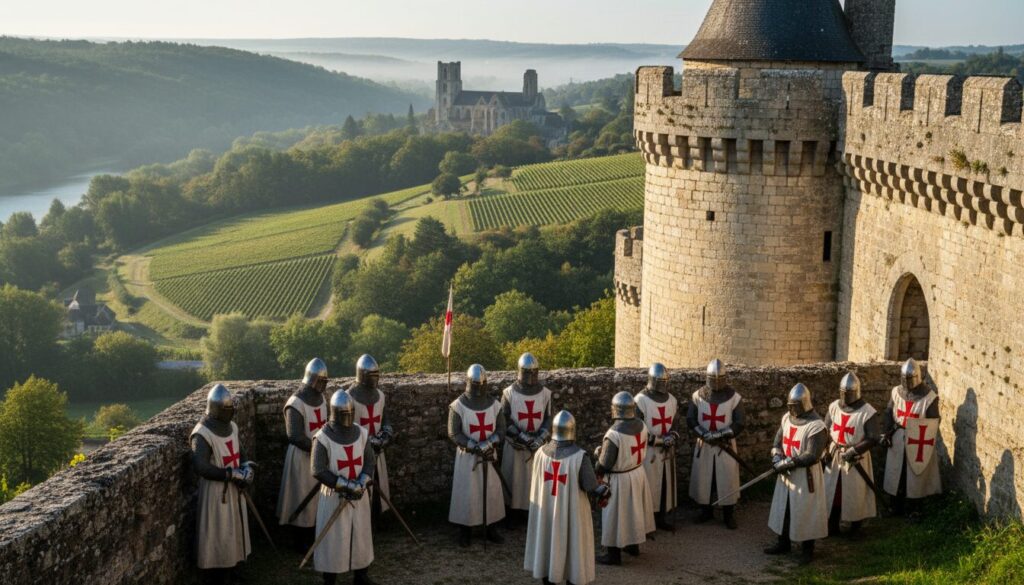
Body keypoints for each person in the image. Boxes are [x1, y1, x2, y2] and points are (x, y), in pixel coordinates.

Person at [524, 410, 607, 585]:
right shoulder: (579, 457)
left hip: (546, 512)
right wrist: (604, 490)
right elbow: (591, 486)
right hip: (570, 514)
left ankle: (548, 578)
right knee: (572, 546)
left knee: (547, 541)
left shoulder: (540, 453)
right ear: (572, 430)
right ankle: (572, 578)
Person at [311, 390, 378, 585]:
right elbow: (318, 470)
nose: (348, 417)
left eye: (350, 413)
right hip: (334, 496)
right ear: (335, 413)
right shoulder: (322, 438)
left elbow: (369, 462)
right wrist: (345, 485)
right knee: (333, 538)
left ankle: (361, 574)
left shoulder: (361, 433)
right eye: (344, 414)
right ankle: (330, 578)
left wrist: (362, 482)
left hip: (359, 494)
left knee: (361, 534)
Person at [190, 384, 253, 584]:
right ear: (216, 409)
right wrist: (231, 474)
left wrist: (246, 469)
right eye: (227, 410)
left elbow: (240, 453)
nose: (231, 413)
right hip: (216, 493)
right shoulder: (202, 433)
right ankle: (217, 577)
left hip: (234, 489)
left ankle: (233, 570)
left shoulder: (231, 427)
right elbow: (201, 467)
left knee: (233, 530)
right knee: (218, 534)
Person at [765, 383, 828, 565]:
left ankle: (807, 550)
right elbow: (778, 443)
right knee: (784, 509)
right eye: (790, 405)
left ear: (804, 404)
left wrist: (789, 462)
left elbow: (812, 455)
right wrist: (777, 458)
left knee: (806, 511)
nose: (792, 409)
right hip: (786, 475)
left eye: (795, 406)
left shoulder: (817, 426)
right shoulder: (787, 419)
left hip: (805, 477)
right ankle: (783, 543)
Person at [448, 364, 507, 547]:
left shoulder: (495, 406)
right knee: (467, 493)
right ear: (469, 383)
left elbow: (502, 429)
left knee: (492, 491)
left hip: (489, 454)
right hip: (467, 458)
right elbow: (454, 433)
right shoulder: (458, 406)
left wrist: (489, 444)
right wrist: (473, 445)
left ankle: (490, 528)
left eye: (482, 383)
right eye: (476, 384)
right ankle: (465, 530)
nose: (479, 387)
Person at [595, 391, 655, 566]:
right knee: (633, 512)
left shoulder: (614, 433)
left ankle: (613, 555)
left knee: (614, 516)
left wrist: (598, 456)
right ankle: (632, 546)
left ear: (616, 410)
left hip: (619, 479)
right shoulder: (642, 425)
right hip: (637, 473)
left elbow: (605, 464)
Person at [277, 358, 330, 547]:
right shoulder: (295, 403)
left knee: (317, 499)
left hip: (319, 456)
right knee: (301, 496)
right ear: (314, 379)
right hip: (301, 458)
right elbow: (295, 436)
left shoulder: (320, 398)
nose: (324, 385)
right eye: (322, 381)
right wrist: (319, 450)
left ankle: (316, 534)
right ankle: (300, 541)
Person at [687, 358, 744, 529]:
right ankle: (706, 511)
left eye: (720, 378)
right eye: (714, 378)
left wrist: (720, 434)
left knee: (727, 478)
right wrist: (704, 434)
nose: (717, 382)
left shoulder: (734, 398)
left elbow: (739, 422)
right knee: (705, 479)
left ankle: (728, 514)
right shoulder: (698, 396)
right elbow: (690, 419)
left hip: (725, 446)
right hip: (704, 445)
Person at [880, 358, 941, 515]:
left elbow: (933, 422)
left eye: (910, 379)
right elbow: (888, 413)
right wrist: (886, 432)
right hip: (898, 436)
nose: (907, 382)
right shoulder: (896, 392)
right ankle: (895, 506)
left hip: (917, 441)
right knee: (896, 473)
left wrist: (920, 435)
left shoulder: (929, 397)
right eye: (905, 379)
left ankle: (915, 509)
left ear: (917, 377)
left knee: (915, 475)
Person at [823, 372, 879, 536]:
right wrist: (826, 450)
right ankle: (832, 525)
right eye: (843, 393)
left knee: (855, 492)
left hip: (857, 458)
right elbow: (826, 431)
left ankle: (855, 527)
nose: (846, 396)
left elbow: (873, 437)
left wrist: (854, 450)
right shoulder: (834, 407)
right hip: (835, 455)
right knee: (833, 491)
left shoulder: (867, 412)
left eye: (849, 393)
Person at [501, 352, 553, 528]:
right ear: (520, 372)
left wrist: (540, 438)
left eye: (533, 372)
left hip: (538, 447)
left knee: (534, 482)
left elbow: (549, 418)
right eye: (527, 372)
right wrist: (522, 437)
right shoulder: (508, 393)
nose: (530, 377)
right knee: (514, 481)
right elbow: (504, 420)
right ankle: (512, 515)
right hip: (515, 446)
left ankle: (533, 514)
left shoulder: (545, 394)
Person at [346, 354, 394, 517]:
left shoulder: (380, 395)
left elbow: (384, 417)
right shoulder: (348, 398)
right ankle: (364, 522)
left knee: (379, 485)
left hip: (378, 449)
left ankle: (378, 519)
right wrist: (369, 441)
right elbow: (346, 427)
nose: (375, 379)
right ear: (362, 375)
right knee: (365, 487)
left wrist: (386, 433)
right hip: (359, 452)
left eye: (376, 375)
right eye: (372, 375)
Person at [634, 362, 680, 532]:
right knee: (649, 487)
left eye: (665, 381)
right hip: (649, 453)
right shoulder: (640, 401)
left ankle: (661, 518)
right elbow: (637, 429)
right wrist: (660, 440)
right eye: (660, 381)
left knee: (664, 486)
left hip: (667, 452)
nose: (663, 385)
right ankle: (647, 523)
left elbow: (676, 425)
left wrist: (672, 437)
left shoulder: (672, 400)